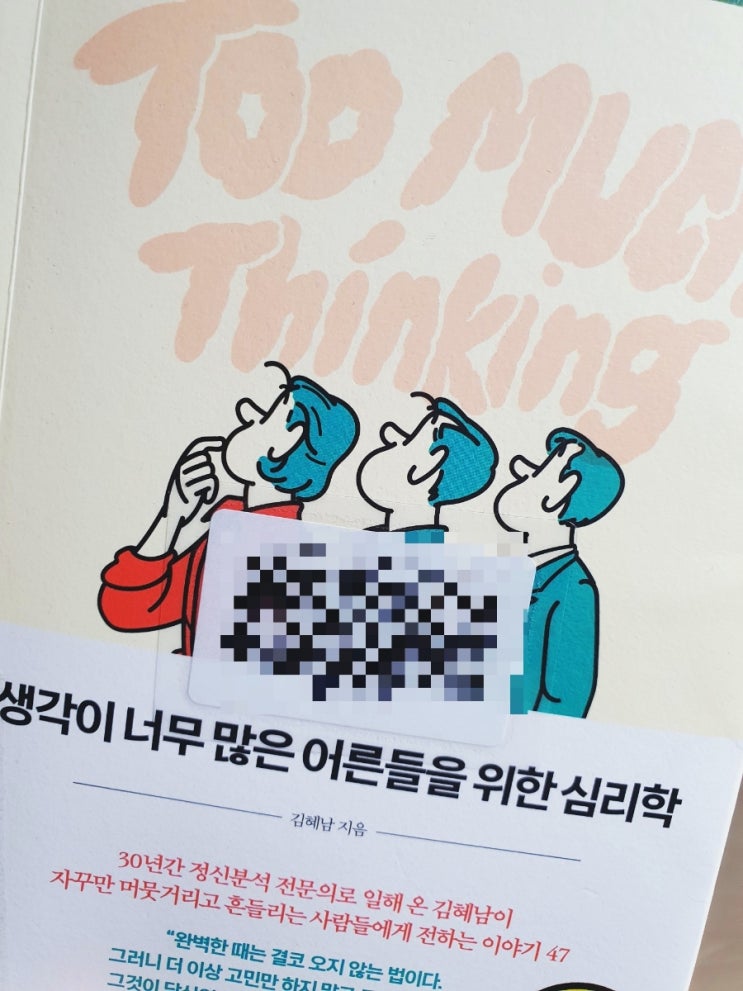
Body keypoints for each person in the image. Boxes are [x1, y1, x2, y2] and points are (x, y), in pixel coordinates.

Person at [99, 363, 359, 654]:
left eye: (262, 417)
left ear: (284, 446)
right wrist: (173, 516)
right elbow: (126, 610)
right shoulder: (229, 525)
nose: (247, 413)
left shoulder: (283, 550)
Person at [494, 428, 624, 718]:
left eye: (536, 473)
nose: (520, 472)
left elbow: (565, 696)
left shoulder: (574, 588)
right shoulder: (515, 570)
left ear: (561, 493)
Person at [357, 392, 498, 536]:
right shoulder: (376, 537)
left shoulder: (415, 545)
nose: (390, 435)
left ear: (425, 469)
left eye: (407, 439)